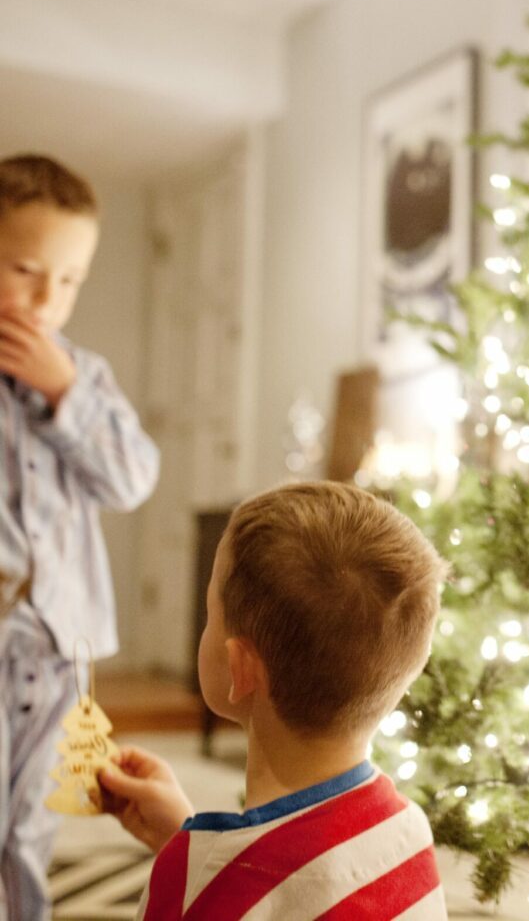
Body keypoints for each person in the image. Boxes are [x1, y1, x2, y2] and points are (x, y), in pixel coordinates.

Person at [99, 481, 449, 920]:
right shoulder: (406, 829)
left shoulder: (188, 881)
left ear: (239, 668)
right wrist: (187, 842)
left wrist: (191, 866)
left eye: (211, 614)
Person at [0, 154, 160, 920]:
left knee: (32, 819)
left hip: (60, 645)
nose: (46, 298)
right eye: (27, 269)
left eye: (68, 280)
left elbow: (132, 479)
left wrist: (63, 392)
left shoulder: (84, 376)